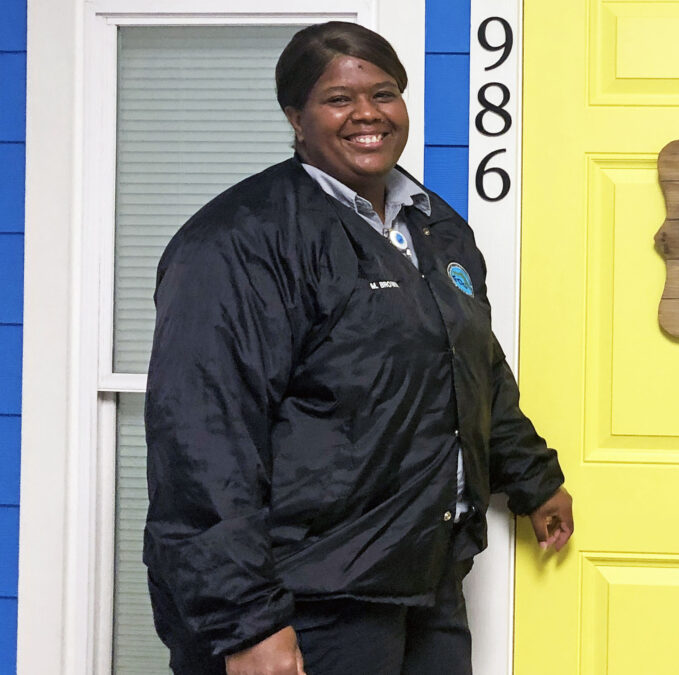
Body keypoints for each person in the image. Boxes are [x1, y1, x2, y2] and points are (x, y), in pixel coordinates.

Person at [143, 21, 573, 675]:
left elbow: (472, 367)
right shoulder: (238, 242)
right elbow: (201, 444)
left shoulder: (433, 225)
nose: (367, 113)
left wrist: (532, 478)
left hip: (423, 575)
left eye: (384, 92)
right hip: (308, 596)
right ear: (295, 116)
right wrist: (248, 621)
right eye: (339, 99)